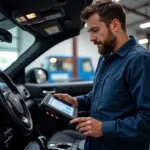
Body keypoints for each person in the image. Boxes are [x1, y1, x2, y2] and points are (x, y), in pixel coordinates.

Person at [53, 0, 150, 149]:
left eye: (96, 30)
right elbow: (99, 96)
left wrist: (103, 128)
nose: (91, 38)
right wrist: (76, 102)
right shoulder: (104, 58)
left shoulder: (140, 60)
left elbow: (147, 120)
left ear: (115, 25)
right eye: (90, 32)